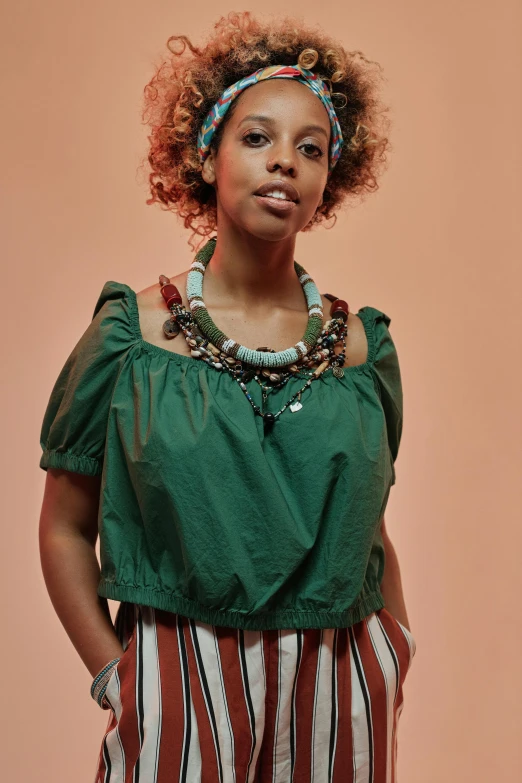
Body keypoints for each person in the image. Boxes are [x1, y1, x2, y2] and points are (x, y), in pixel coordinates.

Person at [38, 11, 416, 782]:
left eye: (311, 149)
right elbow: (64, 528)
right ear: (206, 154)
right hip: (179, 675)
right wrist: (123, 679)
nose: (285, 163)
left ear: (328, 183)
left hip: (340, 682)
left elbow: (369, 528)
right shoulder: (130, 337)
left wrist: (391, 652)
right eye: (257, 138)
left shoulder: (358, 349)